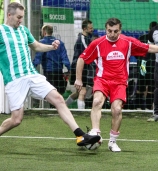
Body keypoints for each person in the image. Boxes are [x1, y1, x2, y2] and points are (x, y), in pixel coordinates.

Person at [0, 2, 100, 147]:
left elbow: (35, 46)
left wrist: (50, 47)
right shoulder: (1, 31)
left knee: (58, 99)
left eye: (22, 17)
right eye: (18, 17)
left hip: (32, 75)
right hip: (14, 80)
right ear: (9, 15)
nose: (20, 20)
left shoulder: (23, 30)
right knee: (16, 119)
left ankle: (81, 135)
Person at [75, 17, 158, 152]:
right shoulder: (97, 43)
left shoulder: (128, 42)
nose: (112, 34)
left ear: (120, 30)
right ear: (106, 29)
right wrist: (78, 79)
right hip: (102, 80)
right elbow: (81, 58)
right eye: (109, 31)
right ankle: (95, 133)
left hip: (120, 82)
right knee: (97, 101)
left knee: (117, 109)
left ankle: (112, 142)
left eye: (115, 31)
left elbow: (147, 47)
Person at [65, 20, 98, 109]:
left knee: (78, 93)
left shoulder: (87, 38)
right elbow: (90, 53)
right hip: (79, 69)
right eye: (90, 28)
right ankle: (81, 113)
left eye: (92, 27)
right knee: (82, 91)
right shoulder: (82, 39)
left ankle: (63, 107)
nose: (92, 29)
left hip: (84, 69)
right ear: (84, 29)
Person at [33, 25, 70, 95]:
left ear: (44, 32)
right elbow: (64, 58)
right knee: (58, 94)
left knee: (50, 94)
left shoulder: (41, 43)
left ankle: (51, 106)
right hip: (59, 72)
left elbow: (38, 58)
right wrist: (69, 69)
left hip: (48, 72)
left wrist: (31, 68)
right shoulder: (60, 43)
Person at [135, 21, 157, 110]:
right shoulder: (142, 38)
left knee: (143, 89)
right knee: (148, 89)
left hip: (147, 68)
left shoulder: (142, 38)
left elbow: (136, 54)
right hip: (150, 68)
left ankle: (139, 107)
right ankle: (145, 108)